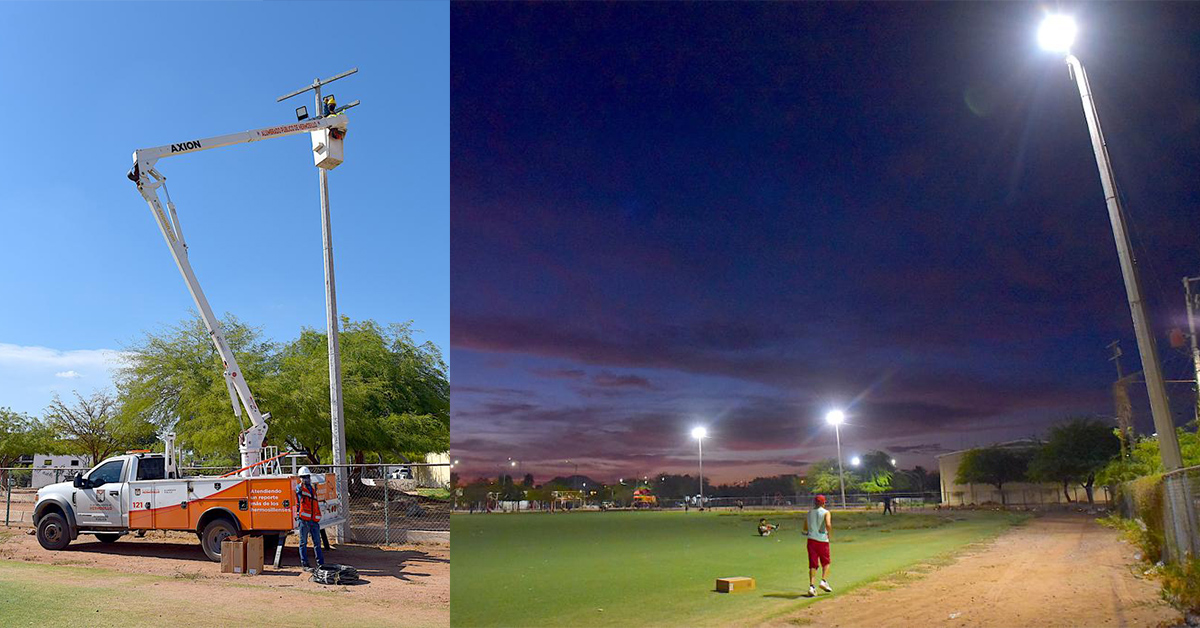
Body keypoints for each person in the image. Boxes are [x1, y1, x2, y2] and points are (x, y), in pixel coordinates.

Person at [802, 494, 833, 596]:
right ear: (823, 503)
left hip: (811, 541)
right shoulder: (826, 512)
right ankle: (823, 581)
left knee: (813, 564)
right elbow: (828, 525)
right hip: (822, 540)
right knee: (826, 562)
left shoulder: (809, 513)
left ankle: (811, 586)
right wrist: (829, 533)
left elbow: (805, 528)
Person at [295, 467, 325, 572]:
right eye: (304, 477)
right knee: (303, 542)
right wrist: (301, 485)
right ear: (300, 478)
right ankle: (305, 564)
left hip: (313, 520)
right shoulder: (300, 488)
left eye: (307, 477)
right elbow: (299, 493)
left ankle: (321, 564)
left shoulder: (312, 489)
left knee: (317, 542)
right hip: (304, 520)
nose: (306, 479)